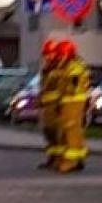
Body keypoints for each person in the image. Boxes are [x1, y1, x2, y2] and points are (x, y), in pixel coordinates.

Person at [55, 41, 91, 173]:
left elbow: (72, 85)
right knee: (74, 131)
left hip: (73, 102)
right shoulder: (71, 66)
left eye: (61, 54)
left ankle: (71, 161)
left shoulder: (73, 67)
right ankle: (78, 159)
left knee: (70, 131)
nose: (59, 57)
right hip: (71, 102)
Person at [37, 39, 62, 170]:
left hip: (56, 107)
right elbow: (43, 87)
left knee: (57, 135)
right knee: (49, 134)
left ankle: (58, 160)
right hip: (47, 107)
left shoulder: (59, 69)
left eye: (49, 53)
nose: (47, 56)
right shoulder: (47, 68)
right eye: (46, 54)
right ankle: (52, 159)